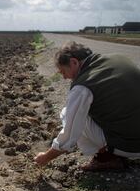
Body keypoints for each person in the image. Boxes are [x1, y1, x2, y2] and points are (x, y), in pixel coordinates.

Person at [34, 41, 140, 171]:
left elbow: (69, 135)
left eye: (63, 72)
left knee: (68, 113)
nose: (64, 78)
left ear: (74, 62)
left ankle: (106, 158)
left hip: (133, 146)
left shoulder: (83, 86)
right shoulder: (117, 58)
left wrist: (45, 157)